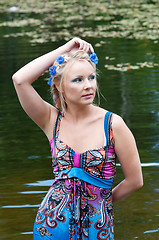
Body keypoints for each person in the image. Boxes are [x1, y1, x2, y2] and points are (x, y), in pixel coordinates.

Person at [12, 37, 143, 240]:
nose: (88, 85)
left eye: (91, 77)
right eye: (78, 80)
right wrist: (65, 49)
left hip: (97, 228)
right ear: (60, 86)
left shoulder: (113, 125)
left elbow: (135, 181)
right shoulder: (51, 120)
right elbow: (20, 80)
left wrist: (102, 202)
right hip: (51, 226)